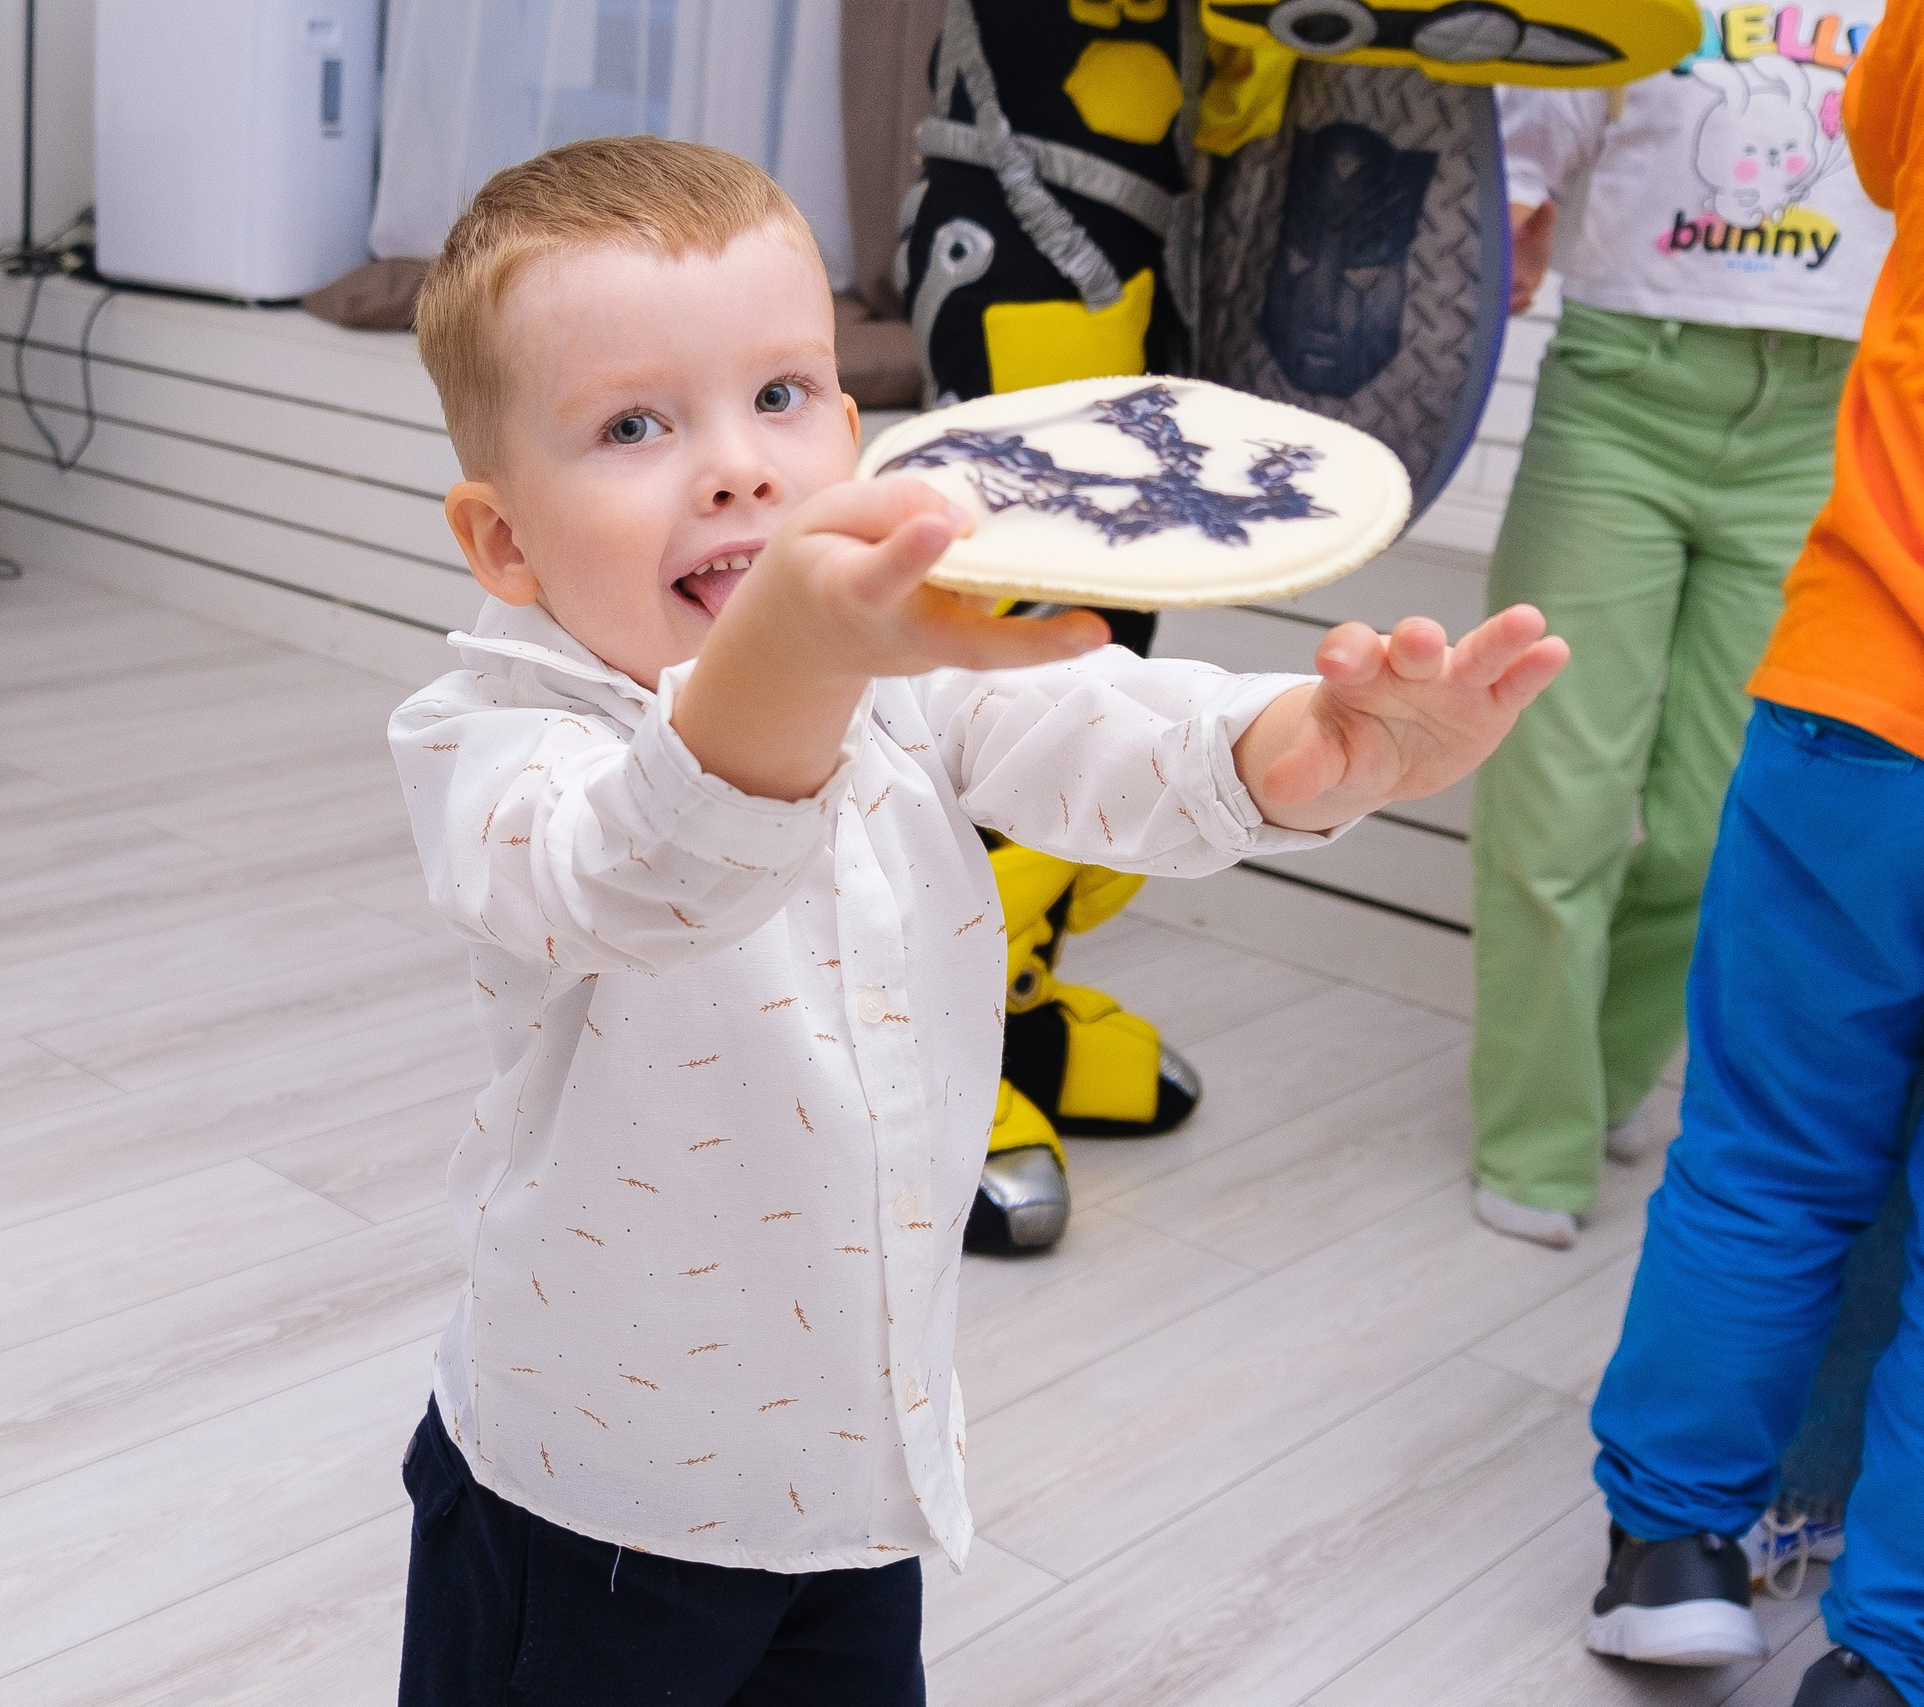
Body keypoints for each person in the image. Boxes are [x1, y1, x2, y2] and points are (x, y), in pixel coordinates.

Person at [384, 135, 1568, 1704]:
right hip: (596, 1501)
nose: (735, 464)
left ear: (859, 434)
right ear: (505, 541)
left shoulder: (908, 678)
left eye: (783, 396)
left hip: (858, 1466)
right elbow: (637, 875)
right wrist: (791, 662)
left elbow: (1102, 726)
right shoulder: (494, 738)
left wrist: (1301, 750)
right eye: (633, 423)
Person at [1577, 0, 1924, 1699]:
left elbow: (1884, 145)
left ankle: (1674, 1545)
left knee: (1768, 1151)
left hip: (1877, 701)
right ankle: (1913, 1658)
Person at [1466, 15, 1893, 1249]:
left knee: (1722, 819)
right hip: (1617, 401)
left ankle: (1597, 1075)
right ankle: (1532, 1137)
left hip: (1826, 416)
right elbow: (1511, 166)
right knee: (1557, 793)